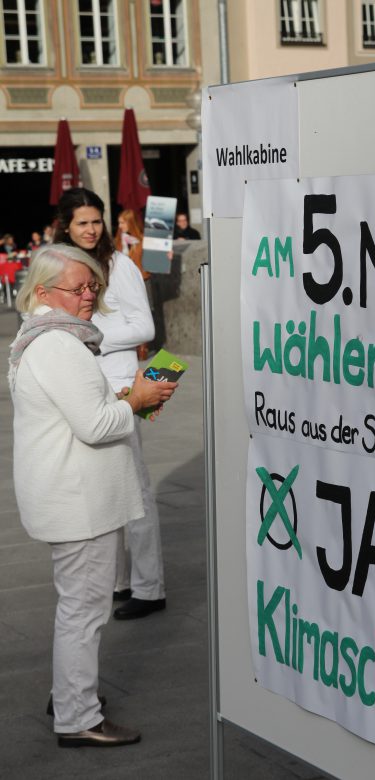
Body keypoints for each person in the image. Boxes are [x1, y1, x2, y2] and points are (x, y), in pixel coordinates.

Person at [9, 243, 177, 746]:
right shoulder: (59, 344)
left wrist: (129, 398)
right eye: (78, 288)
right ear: (43, 292)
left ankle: (70, 696)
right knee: (84, 610)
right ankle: (78, 717)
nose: (89, 296)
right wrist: (138, 400)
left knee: (78, 606)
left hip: (69, 493)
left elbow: (82, 410)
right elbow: (95, 424)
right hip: (78, 499)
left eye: (93, 287)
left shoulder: (43, 334)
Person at [54, 187, 168, 620]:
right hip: (78, 385)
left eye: (96, 221)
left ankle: (149, 585)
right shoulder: (62, 264)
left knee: (134, 487)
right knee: (101, 487)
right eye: (82, 222)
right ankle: (120, 581)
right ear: (66, 224)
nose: (90, 229)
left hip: (121, 386)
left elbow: (144, 326)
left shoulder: (118, 265)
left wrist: (90, 337)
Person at [114, 209, 150, 360]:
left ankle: (143, 348)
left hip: (142, 281)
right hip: (123, 283)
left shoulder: (143, 241)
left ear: (131, 222)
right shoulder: (119, 241)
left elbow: (152, 264)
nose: (120, 226)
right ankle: (132, 346)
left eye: (123, 222)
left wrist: (165, 256)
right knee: (126, 314)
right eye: (119, 223)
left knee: (143, 314)